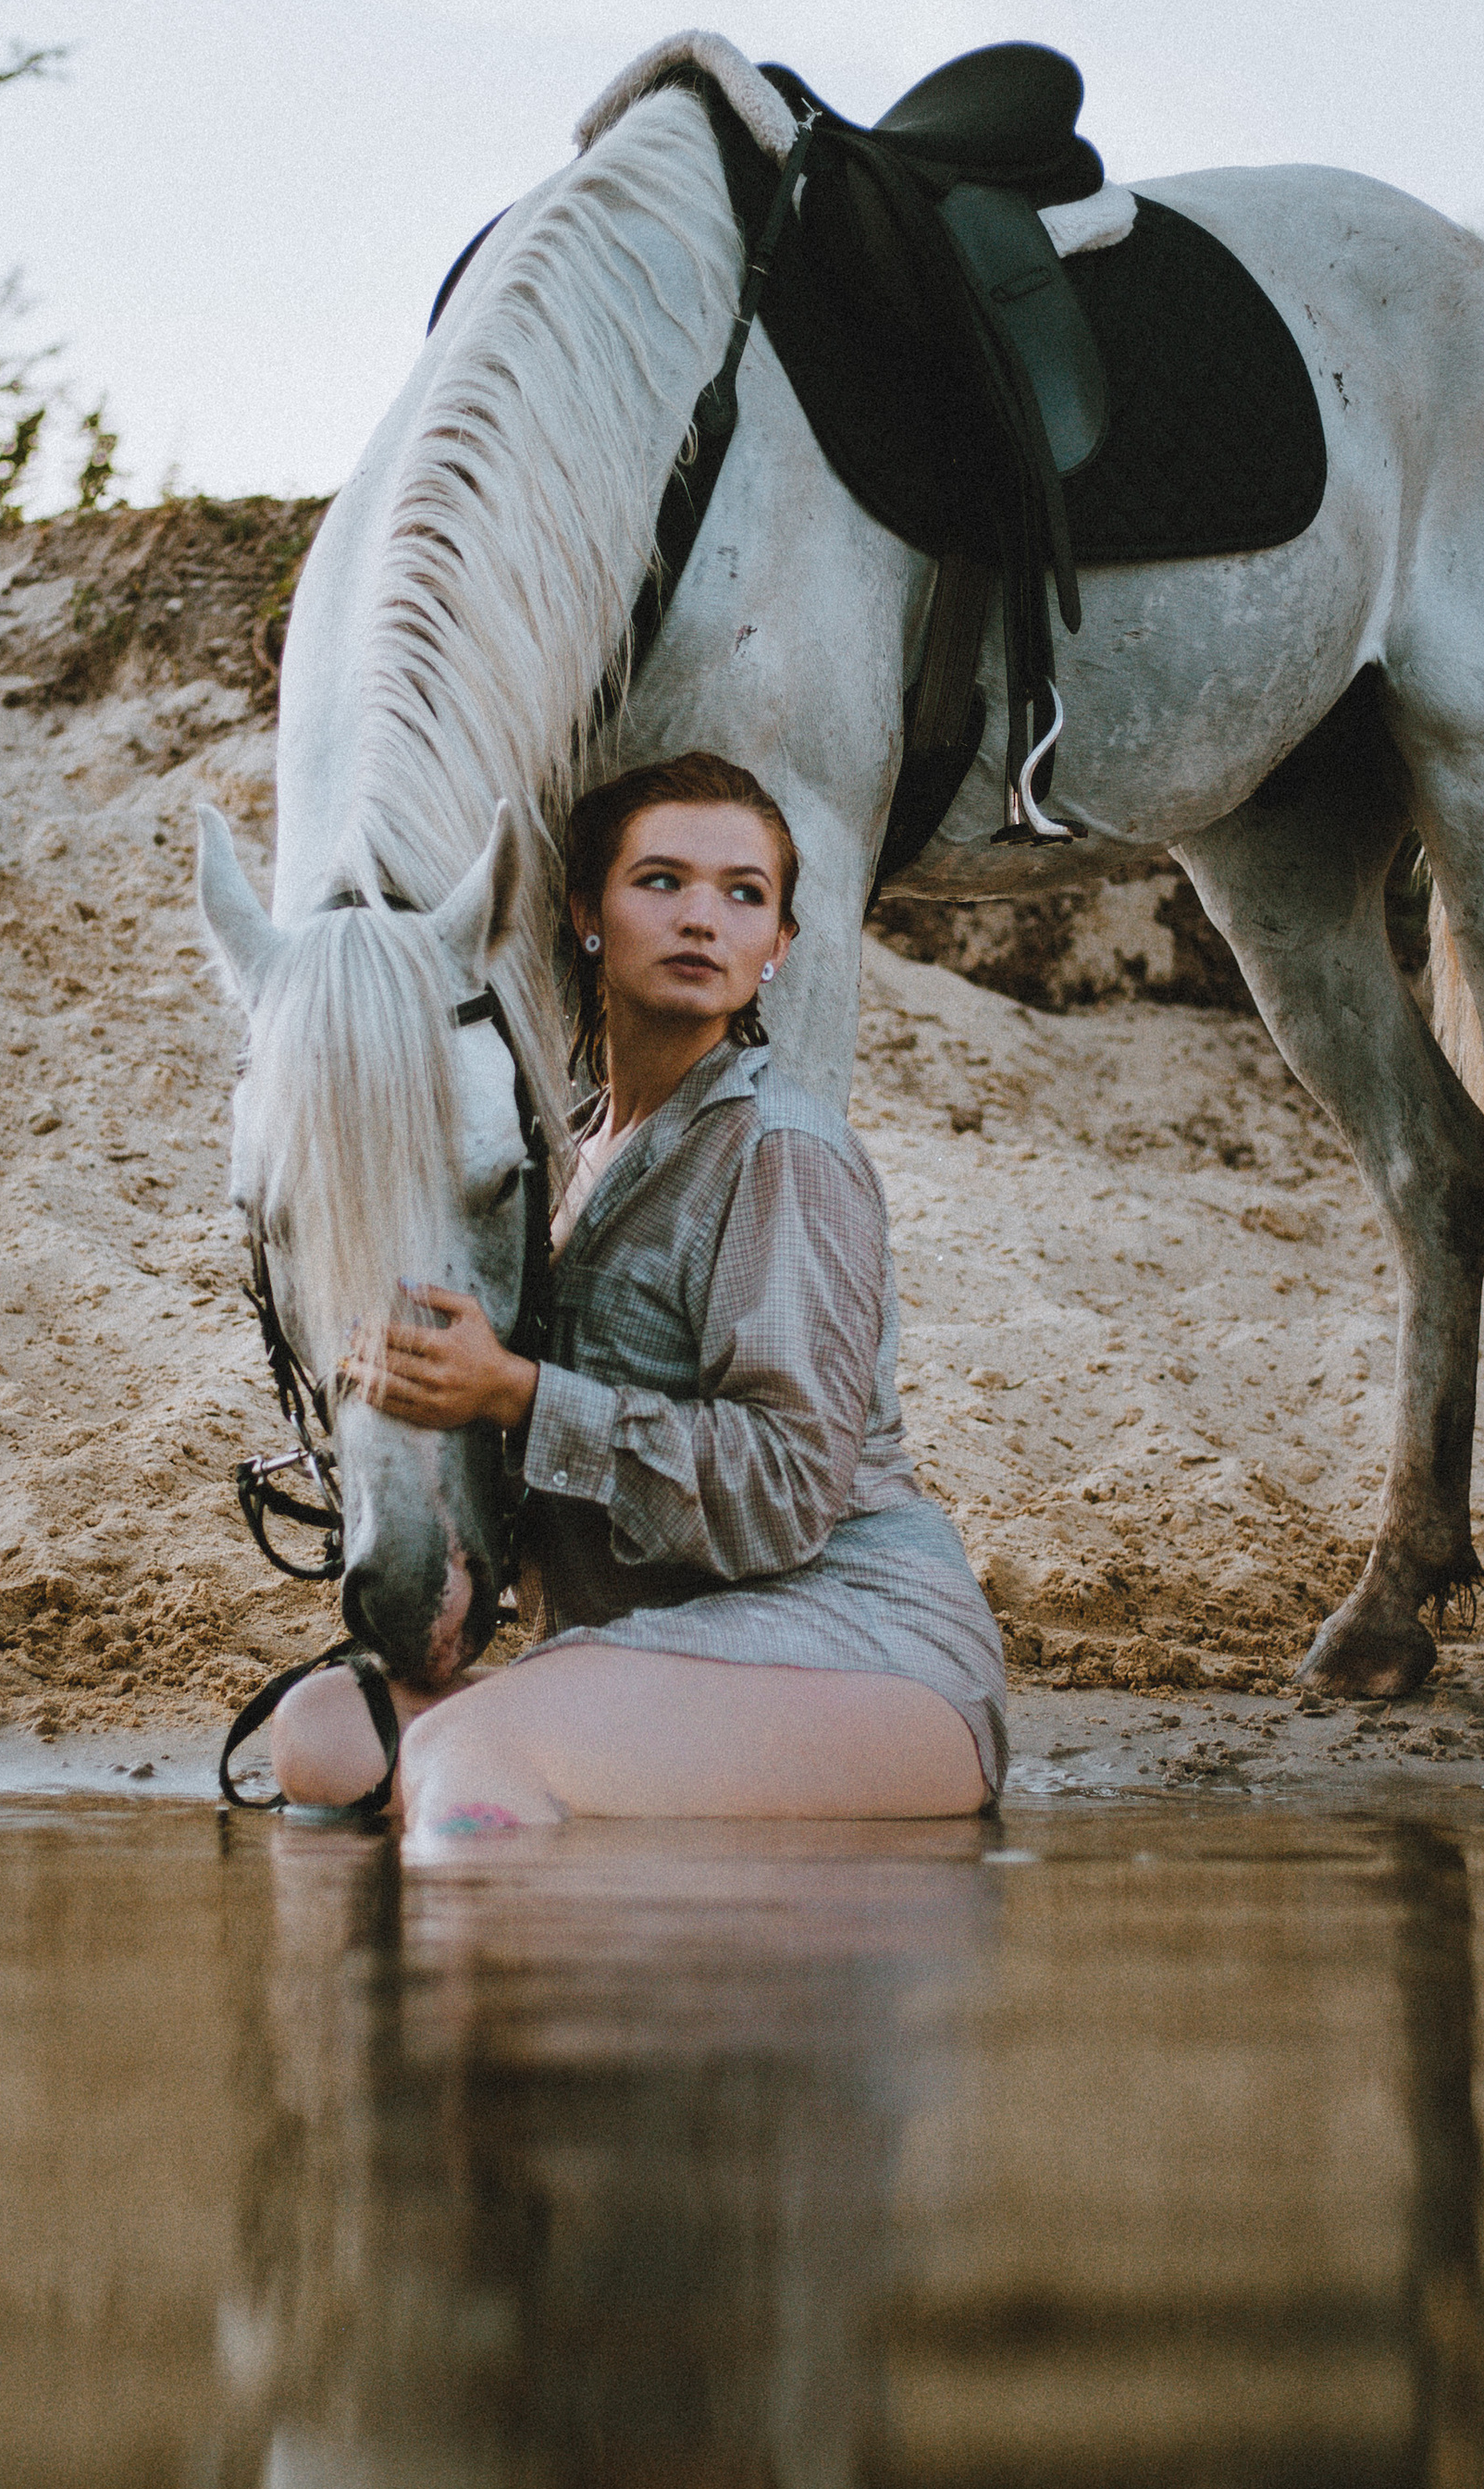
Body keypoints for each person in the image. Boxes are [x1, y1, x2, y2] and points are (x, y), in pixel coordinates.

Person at [273, 750, 1008, 1832]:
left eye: (742, 895)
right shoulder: (567, 1152)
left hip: (859, 1650)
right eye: (660, 881)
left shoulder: (781, 1152)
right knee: (324, 1735)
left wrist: (522, 1395)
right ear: (586, 914)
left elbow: (785, 1495)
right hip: (655, 1656)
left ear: (778, 949)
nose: (701, 919)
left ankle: (573, 1986)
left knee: (471, 1757)